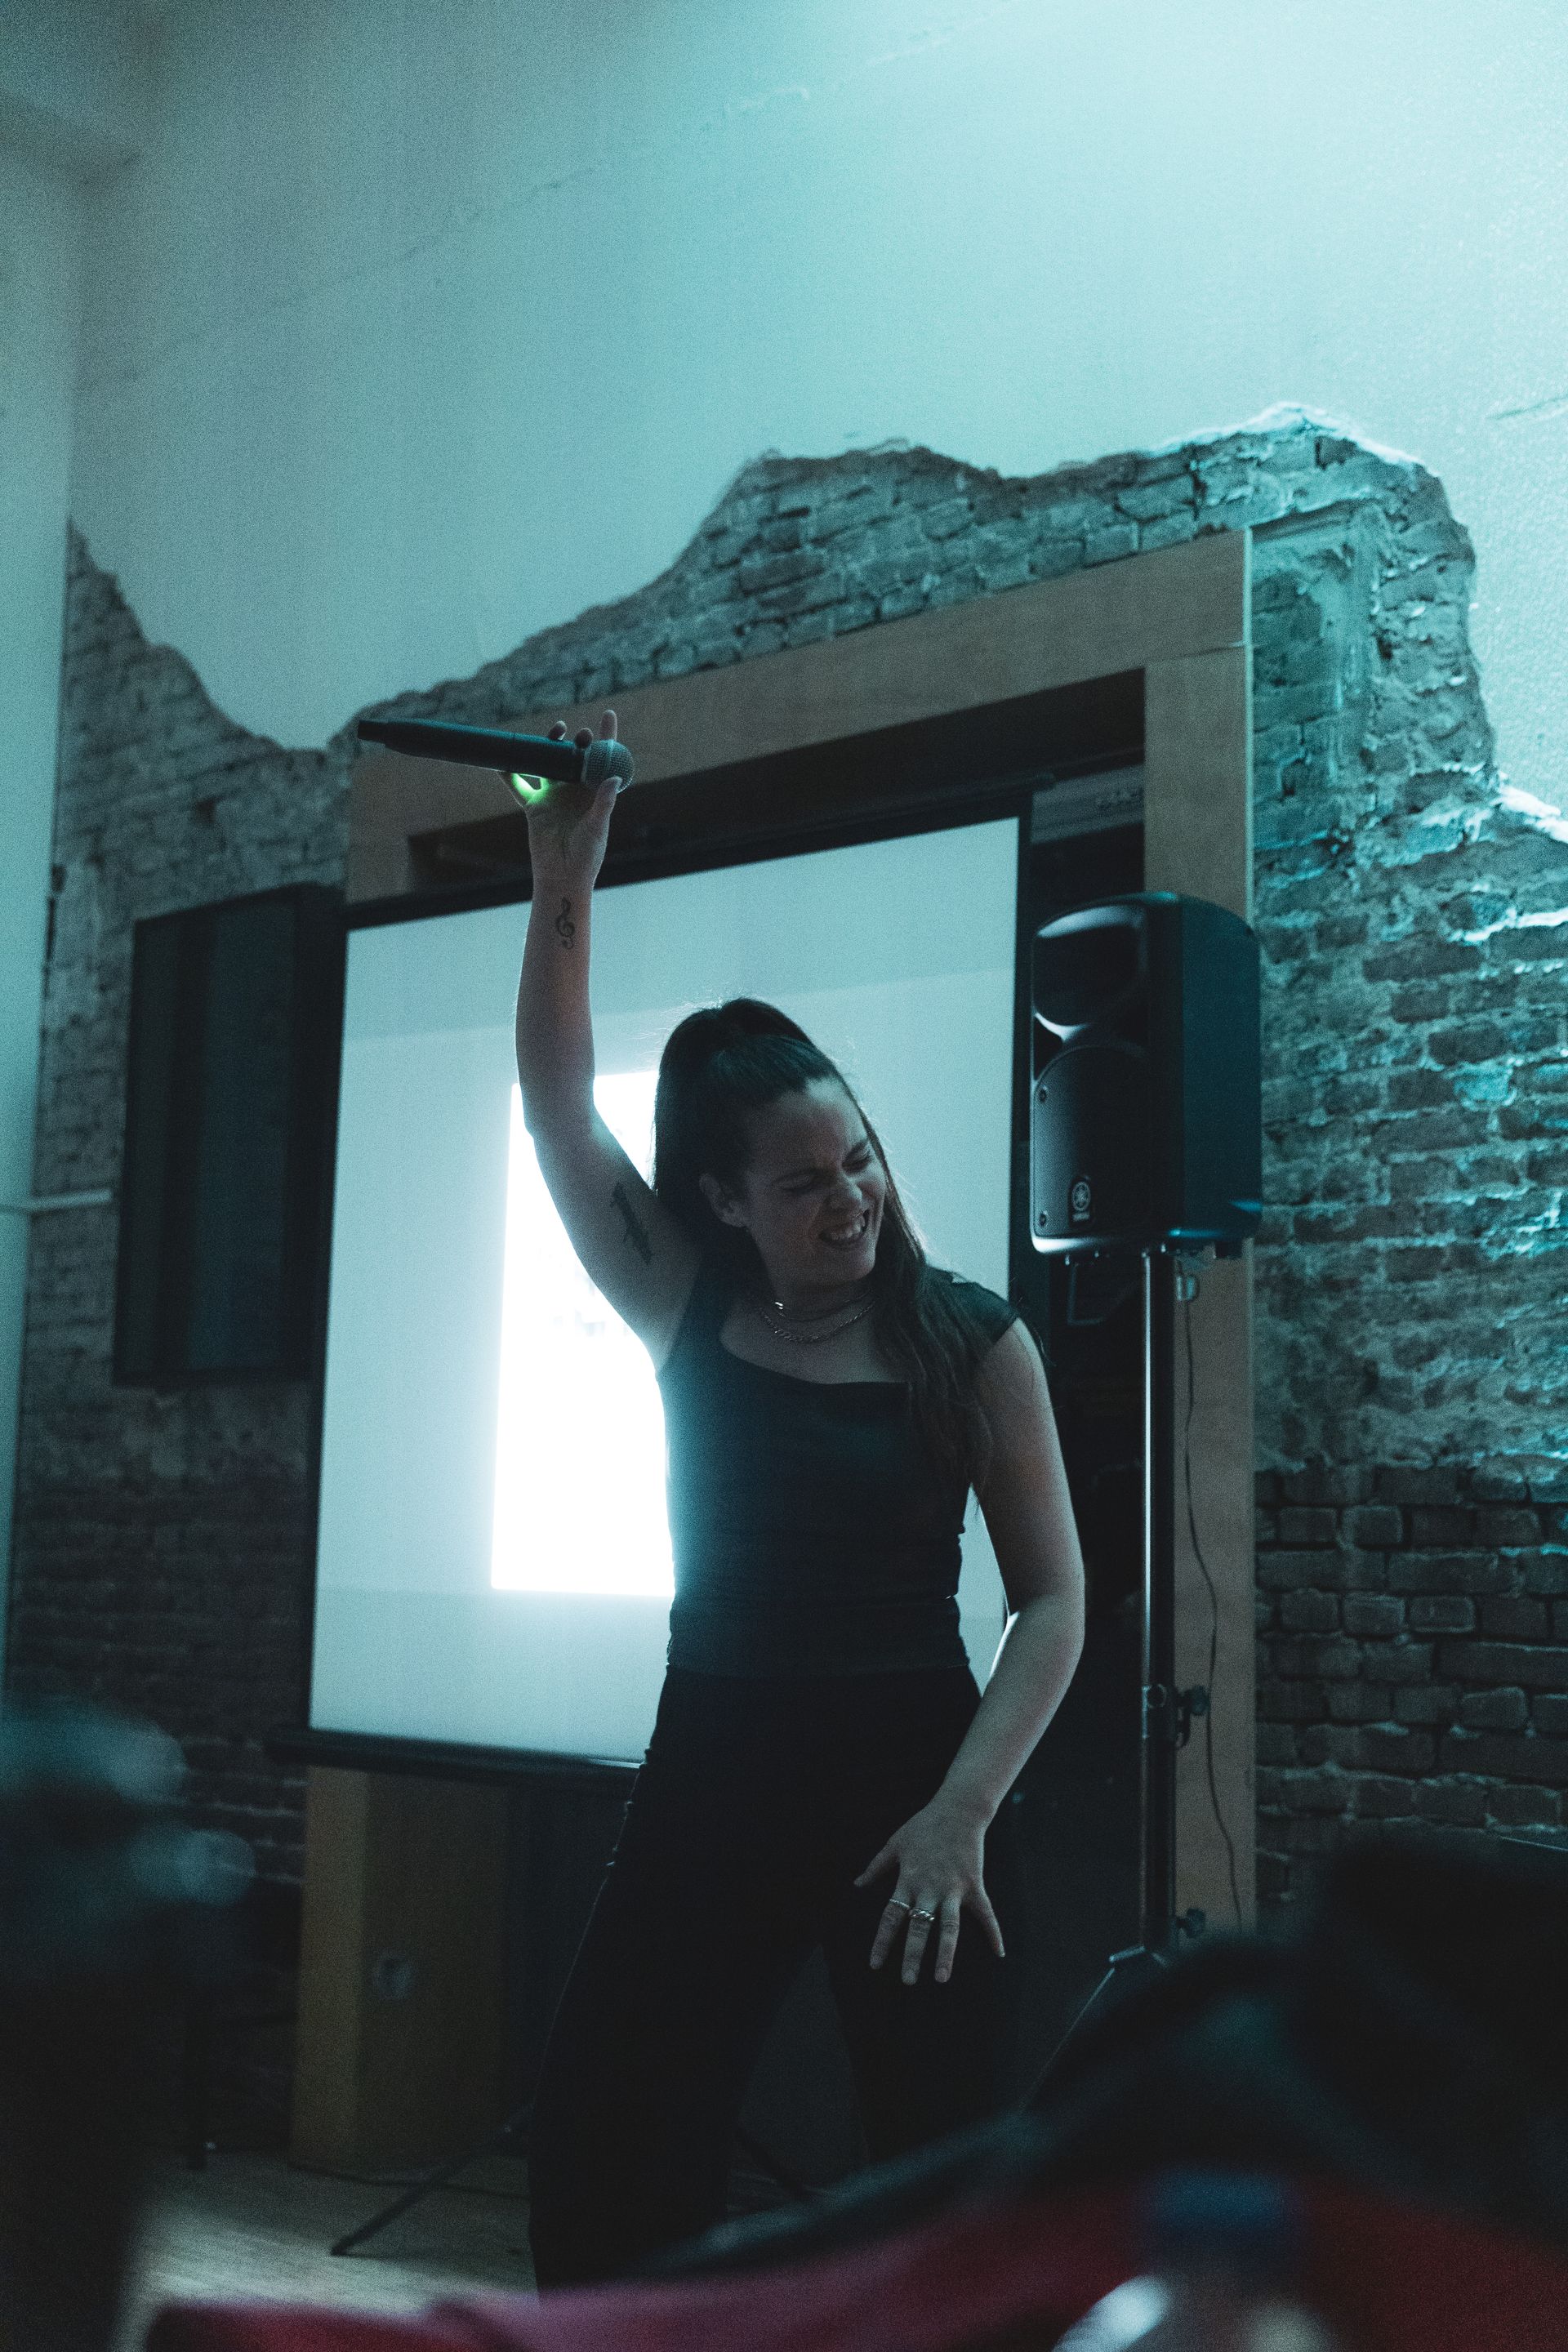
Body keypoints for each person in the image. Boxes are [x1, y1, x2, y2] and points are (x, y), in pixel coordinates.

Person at [510, 709, 1087, 2289]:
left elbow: (1053, 1602)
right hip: (716, 1765)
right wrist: (565, 873)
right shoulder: (680, 1300)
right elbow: (559, 1110)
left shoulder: (973, 1339)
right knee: (609, 2147)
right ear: (721, 1202)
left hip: (918, 1786)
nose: (853, 1201)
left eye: (861, 1161)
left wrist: (963, 1814)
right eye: (805, 1183)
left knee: (944, 2175)